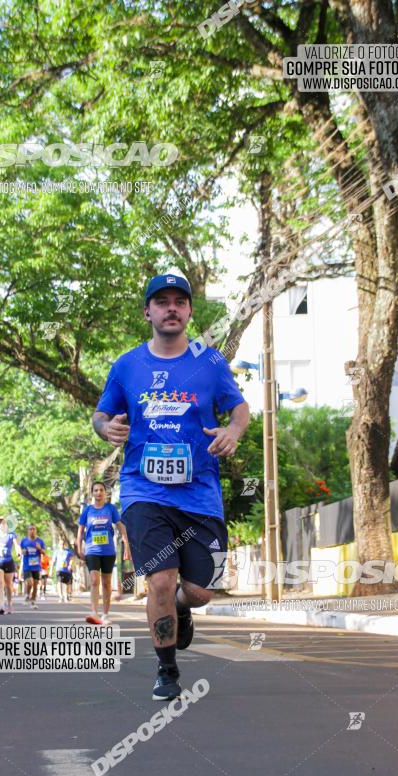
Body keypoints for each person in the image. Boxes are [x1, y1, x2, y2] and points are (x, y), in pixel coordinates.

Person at [92, 273, 249, 699]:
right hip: (144, 490)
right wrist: (107, 428)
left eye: (180, 301)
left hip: (200, 492)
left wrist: (233, 432)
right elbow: (100, 415)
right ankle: (166, 670)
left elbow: (240, 409)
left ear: (190, 311)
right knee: (160, 580)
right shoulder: (127, 366)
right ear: (148, 312)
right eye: (161, 302)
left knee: (200, 590)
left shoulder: (209, 362)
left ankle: (183, 608)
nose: (171, 308)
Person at [77, 482, 130, 624]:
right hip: (92, 550)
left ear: (105, 493)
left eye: (101, 490)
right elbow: (81, 531)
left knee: (106, 583)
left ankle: (105, 614)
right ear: (92, 493)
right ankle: (94, 612)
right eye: (96, 490)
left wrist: (127, 545)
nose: (99, 492)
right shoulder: (87, 511)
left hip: (108, 551)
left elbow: (121, 527)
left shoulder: (111, 509)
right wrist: (78, 547)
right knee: (95, 580)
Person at [0, 516, 21, 615]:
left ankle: (9, 604)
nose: (2, 524)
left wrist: (19, 552)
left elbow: (17, 545)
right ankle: (1, 606)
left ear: (6, 524)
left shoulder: (11, 535)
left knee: (9, 585)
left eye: (3, 522)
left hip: (8, 561)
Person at [20, 524, 46, 609]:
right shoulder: (24, 541)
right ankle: (27, 594)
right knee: (30, 582)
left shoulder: (40, 541)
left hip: (36, 566)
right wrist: (23, 552)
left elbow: (44, 553)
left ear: (36, 531)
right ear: (28, 531)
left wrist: (39, 549)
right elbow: (22, 553)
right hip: (27, 566)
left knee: (35, 585)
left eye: (33, 529)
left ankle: (33, 601)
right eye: (30, 529)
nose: (32, 531)